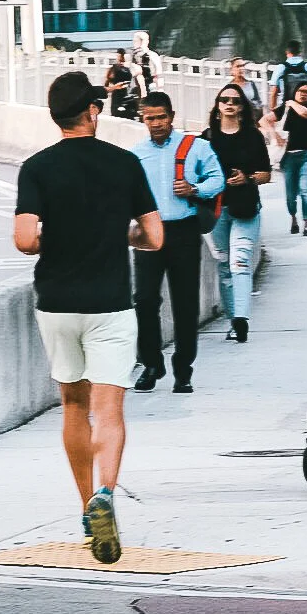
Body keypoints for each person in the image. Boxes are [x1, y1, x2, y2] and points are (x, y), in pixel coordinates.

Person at [14, 71, 164, 564]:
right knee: (111, 409)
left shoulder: (36, 168)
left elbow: (24, 239)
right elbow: (155, 238)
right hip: (111, 303)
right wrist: (124, 237)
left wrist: (51, 240)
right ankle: (106, 494)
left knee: (73, 406)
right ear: (93, 112)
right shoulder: (125, 163)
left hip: (56, 303)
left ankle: (85, 509)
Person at [131, 90, 224, 393]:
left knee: (185, 303)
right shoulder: (136, 153)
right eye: (150, 118)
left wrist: (194, 189)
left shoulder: (196, 147)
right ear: (142, 118)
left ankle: (183, 370)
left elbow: (217, 179)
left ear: (171, 116)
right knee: (144, 300)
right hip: (149, 231)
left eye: (161, 117)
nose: (156, 123)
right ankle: (151, 364)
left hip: (183, 230)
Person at [204, 82, 270, 344]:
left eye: (235, 100)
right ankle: (233, 319)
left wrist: (247, 178)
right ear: (218, 106)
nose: (230, 104)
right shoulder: (207, 138)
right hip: (216, 210)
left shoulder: (253, 136)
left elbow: (266, 175)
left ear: (242, 107)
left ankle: (241, 321)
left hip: (245, 209)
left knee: (240, 262)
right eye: (225, 100)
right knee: (223, 264)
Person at [279, 80, 307, 236]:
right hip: (289, 157)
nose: (303, 94)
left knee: (305, 191)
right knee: (290, 196)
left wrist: (291, 102)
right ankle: (294, 219)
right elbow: (264, 120)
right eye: (300, 91)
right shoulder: (286, 110)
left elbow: (305, 114)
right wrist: (274, 135)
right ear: (295, 91)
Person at [268, 40, 307, 142]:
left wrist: (273, 109)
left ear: (287, 52)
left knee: (286, 133)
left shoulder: (281, 67)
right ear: (300, 52)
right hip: (305, 106)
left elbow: (274, 92)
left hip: (286, 106)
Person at [128, 30, 161, 108]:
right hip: (146, 80)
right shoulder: (135, 53)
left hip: (146, 80)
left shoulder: (146, 54)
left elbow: (154, 69)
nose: (134, 43)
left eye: (135, 41)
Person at [105, 49, 136, 119]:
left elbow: (108, 79)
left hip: (121, 92)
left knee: (118, 112)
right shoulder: (119, 68)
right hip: (121, 92)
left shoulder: (123, 68)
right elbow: (108, 80)